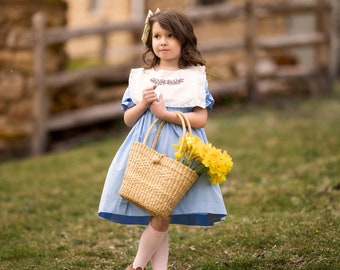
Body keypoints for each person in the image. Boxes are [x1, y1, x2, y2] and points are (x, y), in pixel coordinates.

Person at [98, 8, 227, 270]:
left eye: (170, 35)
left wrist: (166, 114)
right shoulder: (143, 78)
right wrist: (143, 104)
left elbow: (201, 119)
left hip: (178, 151)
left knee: (162, 214)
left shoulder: (193, 77)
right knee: (157, 214)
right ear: (150, 40)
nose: (163, 42)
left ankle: (136, 266)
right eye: (157, 36)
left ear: (184, 40)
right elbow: (128, 119)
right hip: (147, 149)